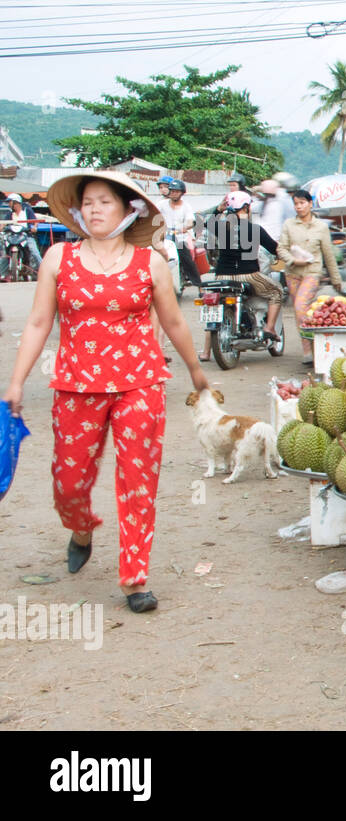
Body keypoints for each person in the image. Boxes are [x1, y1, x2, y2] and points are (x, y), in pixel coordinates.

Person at [2, 171, 210, 613]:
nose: (95, 210)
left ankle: (135, 578)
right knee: (69, 481)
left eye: (104, 202)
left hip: (139, 383)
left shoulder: (149, 262)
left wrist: (196, 370)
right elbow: (39, 323)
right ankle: (81, 527)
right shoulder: (59, 258)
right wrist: (16, 382)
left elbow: (172, 322)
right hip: (76, 386)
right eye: (88, 203)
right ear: (78, 212)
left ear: (126, 210)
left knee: (138, 482)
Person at [198, 190, 284, 361]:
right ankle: (270, 328)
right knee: (277, 291)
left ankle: (206, 352)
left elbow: (202, 223)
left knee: (215, 309)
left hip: (222, 278)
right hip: (249, 276)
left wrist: (218, 209)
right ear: (246, 207)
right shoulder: (255, 229)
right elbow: (275, 249)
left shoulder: (220, 227)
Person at [278, 189, 342, 365]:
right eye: (296, 204)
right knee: (301, 312)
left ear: (310, 204)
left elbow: (328, 254)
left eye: (302, 203)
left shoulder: (321, 227)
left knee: (300, 306)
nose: (299, 207)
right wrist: (292, 260)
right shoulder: (289, 224)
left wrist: (336, 279)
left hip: (312, 272)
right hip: (292, 273)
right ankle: (307, 348)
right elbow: (281, 248)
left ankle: (313, 347)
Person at [161, 180, 203, 293]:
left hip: (179, 238)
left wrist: (184, 228)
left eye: (176, 191)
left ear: (182, 193)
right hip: (164, 238)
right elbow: (153, 214)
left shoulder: (186, 206)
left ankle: (200, 286)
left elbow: (190, 221)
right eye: (172, 191)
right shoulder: (162, 204)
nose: (173, 193)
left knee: (187, 260)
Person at [3, 192, 44, 273]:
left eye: (10, 202)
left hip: (26, 235)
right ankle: (2, 274)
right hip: (13, 236)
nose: (8, 204)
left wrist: (34, 228)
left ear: (15, 202)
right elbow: (4, 223)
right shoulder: (10, 213)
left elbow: (35, 221)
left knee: (35, 252)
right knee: (5, 254)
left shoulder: (27, 210)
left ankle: (45, 271)